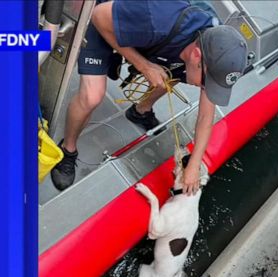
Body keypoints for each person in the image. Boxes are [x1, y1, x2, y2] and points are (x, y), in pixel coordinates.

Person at [51, 0, 248, 195]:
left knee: (175, 73)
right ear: (196, 55)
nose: (207, 88)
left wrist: (195, 165)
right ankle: (68, 149)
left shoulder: (216, 49)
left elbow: (205, 117)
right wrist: (144, 66)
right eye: (208, 82)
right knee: (92, 96)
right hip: (104, 16)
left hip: (149, 34)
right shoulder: (158, 19)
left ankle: (140, 111)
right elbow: (99, 16)